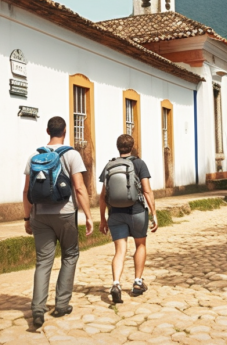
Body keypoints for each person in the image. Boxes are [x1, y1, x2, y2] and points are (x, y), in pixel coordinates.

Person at [23, 116, 94, 328]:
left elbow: (26, 191)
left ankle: (37, 309)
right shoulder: (72, 154)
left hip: (40, 216)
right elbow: (79, 188)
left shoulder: (34, 156)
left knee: (43, 261)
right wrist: (88, 216)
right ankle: (61, 304)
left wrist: (27, 218)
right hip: (65, 213)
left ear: (47, 131)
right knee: (70, 254)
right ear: (65, 131)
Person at [99, 134, 158, 304]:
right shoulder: (139, 164)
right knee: (140, 245)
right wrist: (153, 212)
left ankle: (116, 283)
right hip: (137, 211)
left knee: (119, 251)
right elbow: (147, 190)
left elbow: (102, 197)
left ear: (118, 147)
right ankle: (137, 282)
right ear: (132, 146)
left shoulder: (110, 165)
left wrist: (103, 219)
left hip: (116, 214)